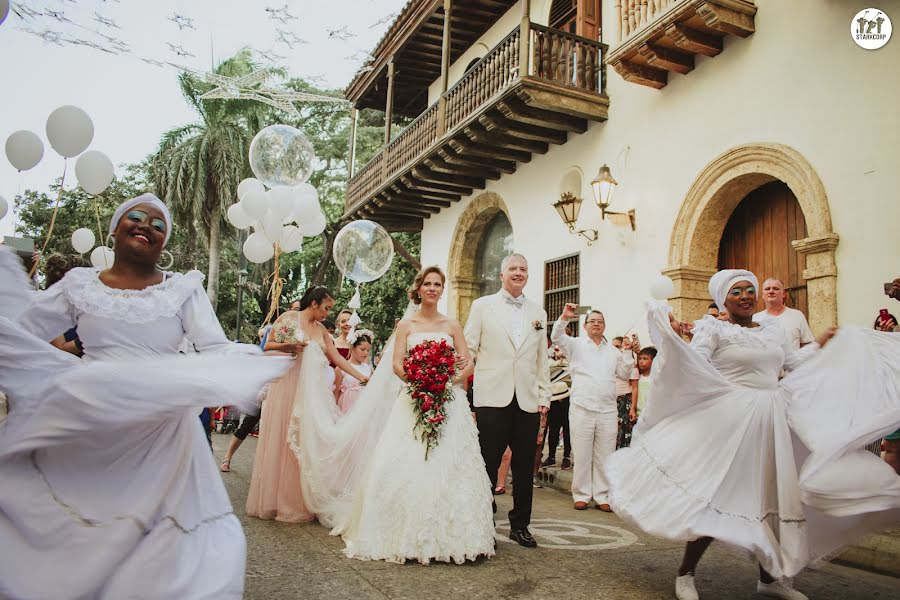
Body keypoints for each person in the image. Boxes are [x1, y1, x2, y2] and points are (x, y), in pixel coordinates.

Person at [0, 193, 290, 599]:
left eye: (158, 225)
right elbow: (22, 329)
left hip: (163, 429)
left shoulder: (182, 290)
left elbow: (213, 346)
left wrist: (258, 359)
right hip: (93, 419)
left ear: (163, 243)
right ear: (115, 229)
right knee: (82, 521)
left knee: (166, 535)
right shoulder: (78, 286)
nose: (145, 226)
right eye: (135, 217)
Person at [607, 269, 900, 600]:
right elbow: (694, 366)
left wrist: (820, 345)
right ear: (723, 300)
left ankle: (770, 579)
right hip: (730, 421)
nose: (746, 295)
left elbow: (791, 364)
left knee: (770, 497)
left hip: (774, 419)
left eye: (750, 290)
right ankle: (686, 572)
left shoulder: (772, 330)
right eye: (736, 292)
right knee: (717, 494)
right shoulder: (712, 329)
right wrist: (672, 340)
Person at [289, 266, 495, 564]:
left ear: (442, 289)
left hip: (449, 401)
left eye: (438, 284)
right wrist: (419, 381)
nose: (433, 288)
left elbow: (468, 363)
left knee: (452, 463)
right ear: (419, 288)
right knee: (407, 460)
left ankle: (457, 535)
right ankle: (402, 532)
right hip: (414, 399)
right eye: (428, 283)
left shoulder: (451, 325)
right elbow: (397, 364)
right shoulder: (406, 326)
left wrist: (446, 382)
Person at [246, 286, 368, 522]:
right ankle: (275, 501)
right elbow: (267, 345)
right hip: (286, 387)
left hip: (310, 391)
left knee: (304, 441)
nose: (327, 313)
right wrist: (288, 347)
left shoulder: (322, 330)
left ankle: (299, 499)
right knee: (283, 440)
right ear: (314, 303)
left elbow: (337, 358)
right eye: (326, 308)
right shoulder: (288, 319)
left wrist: (362, 377)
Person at [464, 253, 552, 548]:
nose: (518, 273)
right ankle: (482, 520)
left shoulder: (539, 312)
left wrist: (545, 397)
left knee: (525, 467)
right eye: (512, 268)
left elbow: (543, 361)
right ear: (502, 275)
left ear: (528, 275)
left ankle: (521, 525)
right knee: (487, 463)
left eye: (523, 269)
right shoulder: (482, 306)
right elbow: (469, 348)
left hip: (527, 400)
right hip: (492, 397)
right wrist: (459, 388)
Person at [552, 306, 636, 512]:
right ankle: (581, 494)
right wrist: (564, 318)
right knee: (582, 454)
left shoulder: (614, 351)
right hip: (582, 406)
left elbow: (625, 374)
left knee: (605, 455)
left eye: (600, 321)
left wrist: (628, 352)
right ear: (585, 325)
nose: (596, 323)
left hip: (607, 409)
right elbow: (556, 336)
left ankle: (602, 495)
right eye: (592, 321)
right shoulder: (576, 345)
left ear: (605, 326)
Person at [220, 302, 297, 473]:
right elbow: (264, 353)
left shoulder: (301, 337)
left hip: (287, 391)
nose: (297, 312)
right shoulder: (276, 333)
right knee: (247, 424)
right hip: (267, 389)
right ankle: (227, 457)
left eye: (300, 309)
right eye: (295, 309)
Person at [753, 278, 815, 350]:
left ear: (783, 294)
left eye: (775, 288)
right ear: (763, 295)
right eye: (767, 289)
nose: (771, 291)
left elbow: (807, 344)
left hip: (792, 361)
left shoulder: (797, 316)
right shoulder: (755, 319)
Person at [336, 330, 373, 413]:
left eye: (368, 350)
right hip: (345, 407)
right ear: (352, 347)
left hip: (363, 408)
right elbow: (336, 393)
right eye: (362, 349)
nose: (366, 353)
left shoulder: (367, 368)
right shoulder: (341, 368)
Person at [628, 347, 657, 424]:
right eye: (640, 358)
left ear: (654, 361)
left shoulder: (657, 378)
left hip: (652, 416)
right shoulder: (637, 378)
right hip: (638, 415)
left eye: (645, 359)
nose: (641, 361)